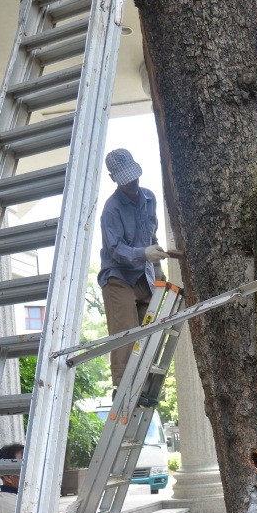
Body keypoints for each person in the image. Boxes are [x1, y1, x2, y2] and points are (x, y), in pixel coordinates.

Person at [97, 148, 168, 387]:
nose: (132, 183)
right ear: (114, 179)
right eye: (126, 180)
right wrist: (143, 253)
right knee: (126, 333)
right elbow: (115, 249)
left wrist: (156, 267)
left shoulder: (149, 198)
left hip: (143, 275)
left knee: (150, 328)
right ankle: (123, 386)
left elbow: (151, 237)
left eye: (134, 176)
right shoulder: (111, 209)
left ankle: (145, 383)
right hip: (118, 277)